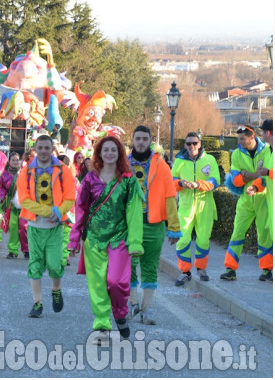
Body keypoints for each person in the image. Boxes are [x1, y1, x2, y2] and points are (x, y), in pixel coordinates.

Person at [69, 136, 144, 339]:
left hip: (119, 239)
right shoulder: (90, 179)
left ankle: (120, 314)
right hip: (94, 240)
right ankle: (102, 323)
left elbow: (135, 212)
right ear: (99, 154)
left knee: (116, 282)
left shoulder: (128, 180)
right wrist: (74, 240)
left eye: (113, 150)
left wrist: (135, 242)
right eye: (106, 150)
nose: (110, 153)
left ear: (119, 153)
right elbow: (80, 210)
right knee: (98, 284)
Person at [127, 125, 181, 325]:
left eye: (144, 139)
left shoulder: (161, 165)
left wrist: (174, 227)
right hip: (129, 225)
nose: (141, 142)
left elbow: (170, 197)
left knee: (149, 267)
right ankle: (133, 303)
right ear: (132, 140)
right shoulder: (123, 164)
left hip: (154, 223)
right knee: (129, 265)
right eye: (137, 138)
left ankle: (147, 308)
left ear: (150, 141)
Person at [17, 135, 76, 318]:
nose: (43, 151)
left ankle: (56, 289)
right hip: (35, 227)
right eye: (40, 148)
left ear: (52, 149)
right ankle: (37, 303)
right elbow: (23, 199)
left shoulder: (63, 170)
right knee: (35, 265)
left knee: (55, 265)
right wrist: (46, 211)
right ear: (35, 148)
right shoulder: (26, 171)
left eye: (46, 148)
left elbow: (70, 197)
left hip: (55, 228)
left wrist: (58, 212)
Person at [221, 124, 272, 281]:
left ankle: (267, 270)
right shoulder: (236, 154)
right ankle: (230, 269)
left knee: (264, 235)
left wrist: (246, 174)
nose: (240, 142)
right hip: (245, 200)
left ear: (252, 136)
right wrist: (253, 175)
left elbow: (264, 177)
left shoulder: (267, 150)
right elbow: (236, 181)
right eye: (238, 139)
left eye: (243, 139)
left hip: (263, 199)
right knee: (237, 232)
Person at [172, 132, 220, 285]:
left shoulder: (210, 159)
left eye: (194, 143)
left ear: (200, 144)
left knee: (203, 240)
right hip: (185, 207)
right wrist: (180, 183)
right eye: (188, 144)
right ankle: (185, 271)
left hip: (204, 206)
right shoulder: (179, 161)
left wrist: (198, 184)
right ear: (185, 145)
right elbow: (171, 182)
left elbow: (215, 181)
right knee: (182, 239)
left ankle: (201, 268)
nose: (192, 146)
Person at [251, 118, 273, 281]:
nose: (261, 135)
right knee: (267, 236)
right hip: (270, 204)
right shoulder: (267, 152)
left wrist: (268, 173)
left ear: (268, 133)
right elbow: (264, 178)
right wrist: (256, 186)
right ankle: (267, 271)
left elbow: (268, 174)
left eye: (262, 132)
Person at [0, 152, 29, 259]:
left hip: (25, 205)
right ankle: (12, 250)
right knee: (13, 227)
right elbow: (0, 188)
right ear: (9, 162)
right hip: (12, 205)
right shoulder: (4, 175)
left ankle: (27, 250)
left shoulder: (25, 173)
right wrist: (1, 197)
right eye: (13, 160)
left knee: (25, 227)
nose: (15, 162)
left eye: (17, 160)